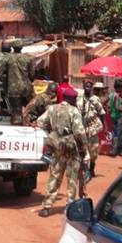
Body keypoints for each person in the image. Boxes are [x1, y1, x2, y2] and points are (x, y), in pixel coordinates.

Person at [37, 88, 88, 218]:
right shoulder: (74, 111)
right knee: (72, 178)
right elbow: (79, 132)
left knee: (55, 176)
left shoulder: (52, 109)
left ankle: (47, 206)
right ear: (71, 99)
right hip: (71, 149)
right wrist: (83, 150)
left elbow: (40, 122)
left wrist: (52, 133)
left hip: (57, 147)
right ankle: (70, 205)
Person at [0, 40, 34, 125]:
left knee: (16, 112)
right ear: (22, 47)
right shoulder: (28, 58)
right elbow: (32, 74)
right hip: (26, 89)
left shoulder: (8, 58)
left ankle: (17, 129)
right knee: (29, 110)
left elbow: (0, 73)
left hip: (13, 89)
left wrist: (5, 84)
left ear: (12, 48)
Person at [77, 80, 106, 178]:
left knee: (93, 151)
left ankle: (92, 168)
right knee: (81, 150)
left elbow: (102, 113)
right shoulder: (79, 98)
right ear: (83, 87)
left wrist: (104, 127)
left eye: (89, 86)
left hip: (93, 128)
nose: (87, 88)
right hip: (81, 127)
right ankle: (83, 170)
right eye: (86, 86)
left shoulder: (95, 99)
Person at [109, 79, 122, 156]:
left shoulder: (111, 95)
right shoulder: (118, 96)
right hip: (119, 116)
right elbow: (118, 107)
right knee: (119, 134)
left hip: (113, 116)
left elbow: (108, 106)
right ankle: (116, 150)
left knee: (115, 133)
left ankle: (114, 149)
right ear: (119, 87)